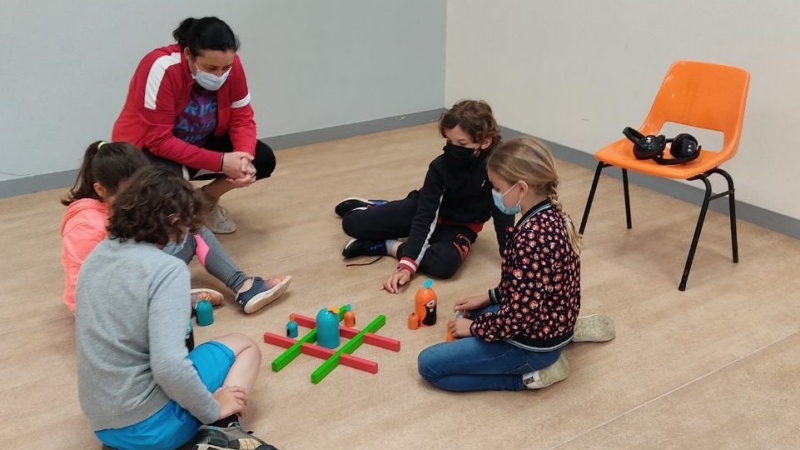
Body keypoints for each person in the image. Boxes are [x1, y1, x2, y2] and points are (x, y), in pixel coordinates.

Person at [76, 166, 276, 450]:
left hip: (105, 426)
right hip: (151, 430)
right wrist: (212, 408)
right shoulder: (166, 269)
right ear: (173, 221)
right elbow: (168, 366)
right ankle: (224, 431)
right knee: (244, 346)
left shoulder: (96, 256)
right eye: (187, 227)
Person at [417, 137, 614, 392]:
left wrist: (475, 329)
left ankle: (531, 376)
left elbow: (518, 317)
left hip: (533, 345)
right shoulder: (553, 213)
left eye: (497, 188)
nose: (494, 194)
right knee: (475, 312)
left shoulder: (532, 239)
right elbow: (531, 283)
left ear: (521, 188)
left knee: (430, 365)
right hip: (551, 320)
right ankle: (567, 334)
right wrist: (488, 298)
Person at [60, 141, 291, 316]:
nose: (140, 198)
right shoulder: (83, 225)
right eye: (131, 192)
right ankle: (168, 301)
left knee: (191, 228)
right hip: (109, 307)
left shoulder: (126, 205)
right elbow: (86, 291)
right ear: (100, 190)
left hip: (135, 280)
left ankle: (242, 285)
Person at [112, 16, 275, 234]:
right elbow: (158, 140)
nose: (220, 75)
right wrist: (221, 162)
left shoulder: (232, 65)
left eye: (225, 67)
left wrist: (242, 157)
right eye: (210, 67)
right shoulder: (160, 67)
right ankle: (172, 215)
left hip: (199, 143)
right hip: (149, 151)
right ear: (188, 54)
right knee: (166, 184)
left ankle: (204, 201)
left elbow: (242, 118)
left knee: (261, 159)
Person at [336, 100, 515, 292]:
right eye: (449, 141)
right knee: (352, 224)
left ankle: (386, 246)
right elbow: (426, 215)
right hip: (424, 209)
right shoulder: (440, 167)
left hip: (461, 227)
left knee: (443, 265)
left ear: (485, 141)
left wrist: (510, 254)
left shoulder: (498, 169)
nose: (453, 148)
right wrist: (407, 266)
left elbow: (503, 212)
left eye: (461, 144)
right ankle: (376, 207)